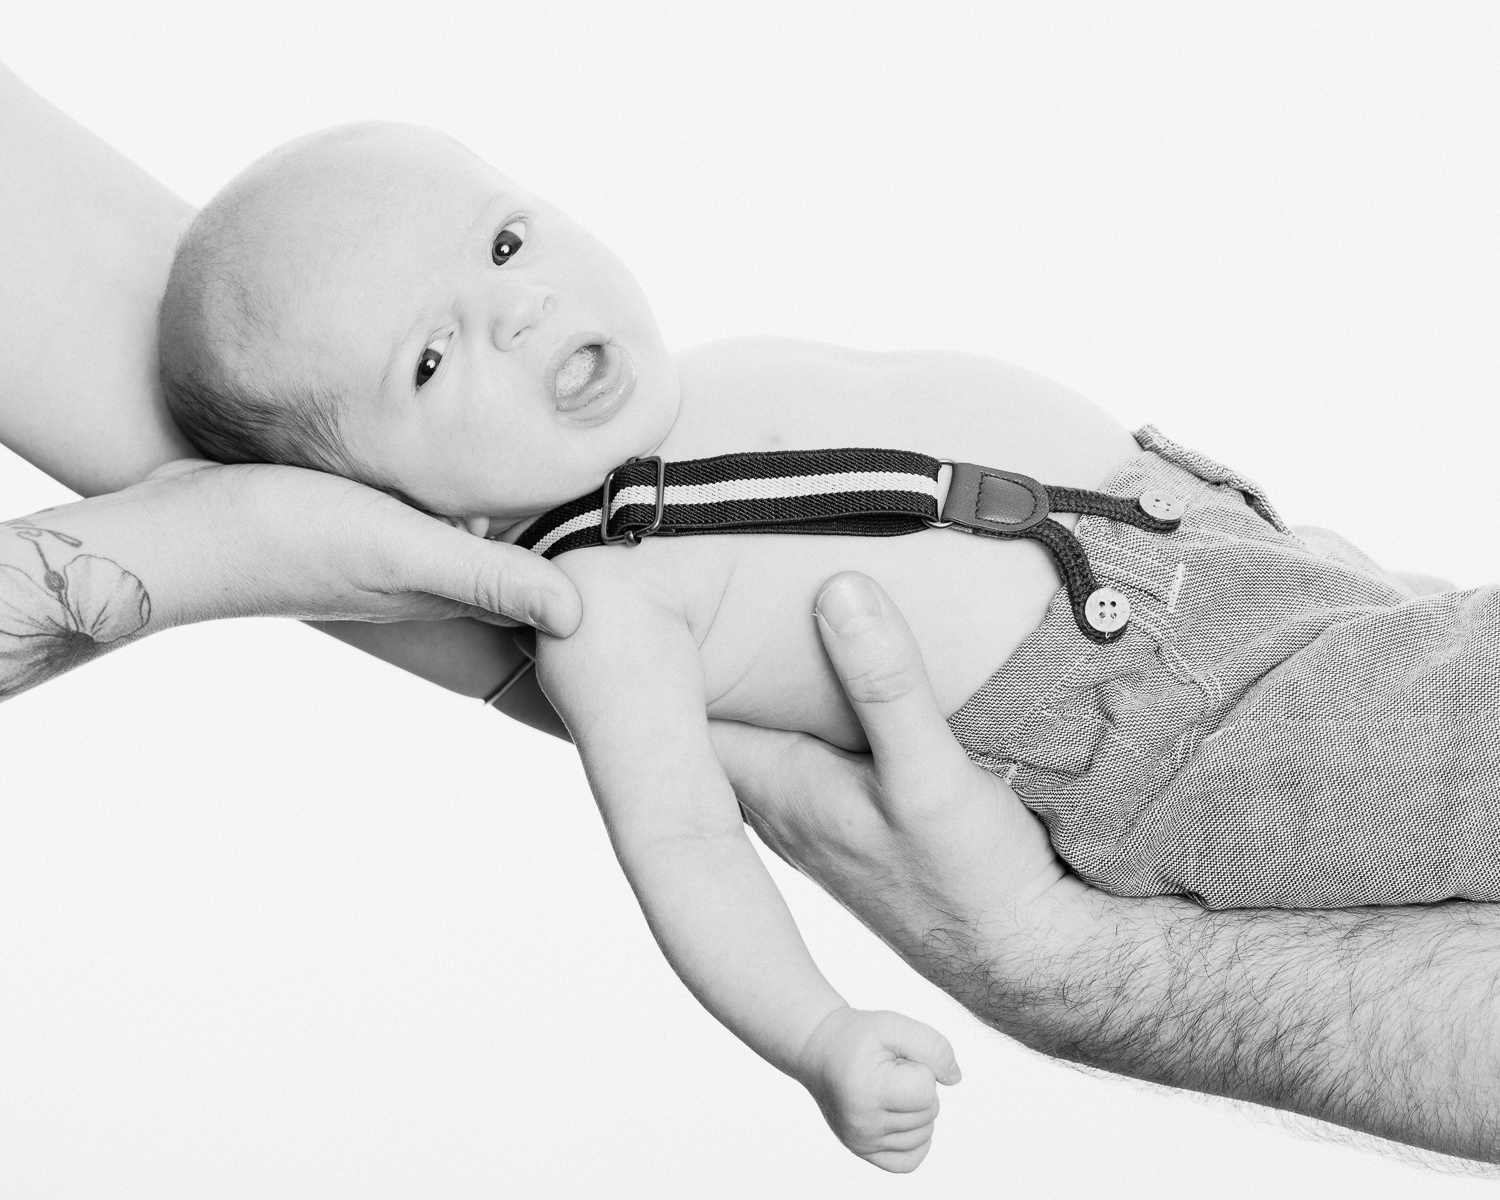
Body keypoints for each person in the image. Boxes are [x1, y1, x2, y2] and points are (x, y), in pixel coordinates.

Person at [3, 61, 1498, 1169]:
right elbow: (687, 845)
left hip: (1247, 580)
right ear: (418, 519)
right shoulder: (600, 600)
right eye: (431, 363)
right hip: (1184, 733)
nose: (517, 309)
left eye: (506, 245)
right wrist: (817, 1034)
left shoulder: (684, 390)